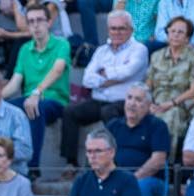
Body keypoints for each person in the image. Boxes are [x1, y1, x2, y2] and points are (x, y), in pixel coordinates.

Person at [61, 10, 148, 171]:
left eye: (122, 28)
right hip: (98, 99)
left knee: (108, 112)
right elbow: (87, 79)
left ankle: (113, 162)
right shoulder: (101, 51)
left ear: (131, 30)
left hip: (124, 102)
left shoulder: (139, 49)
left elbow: (128, 72)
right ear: (108, 30)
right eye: (113, 28)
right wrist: (111, 79)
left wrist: (103, 73)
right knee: (70, 111)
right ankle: (70, 163)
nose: (117, 32)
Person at [1, 2, 69, 176]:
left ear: (49, 22)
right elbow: (15, 83)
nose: (36, 25)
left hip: (55, 101)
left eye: (40, 20)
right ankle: (2, 164)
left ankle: (32, 168)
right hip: (29, 99)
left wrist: (37, 92)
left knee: (35, 108)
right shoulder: (25, 49)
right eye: (31, 21)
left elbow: (58, 70)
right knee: (4, 109)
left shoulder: (62, 44)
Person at [106, 83, 170, 196]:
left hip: (152, 181)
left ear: (149, 106)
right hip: (120, 178)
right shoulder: (113, 126)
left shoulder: (157, 126)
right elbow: (104, 156)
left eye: (138, 100)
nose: (132, 103)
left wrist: (131, 179)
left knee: (141, 187)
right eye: (129, 98)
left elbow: (158, 160)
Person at [146, 16, 194, 151]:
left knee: (172, 114)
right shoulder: (156, 56)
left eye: (180, 32)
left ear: (187, 38)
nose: (175, 35)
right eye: (172, 31)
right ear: (167, 34)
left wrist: (172, 103)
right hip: (157, 101)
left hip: (183, 102)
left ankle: (167, 163)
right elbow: (148, 84)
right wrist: (149, 104)